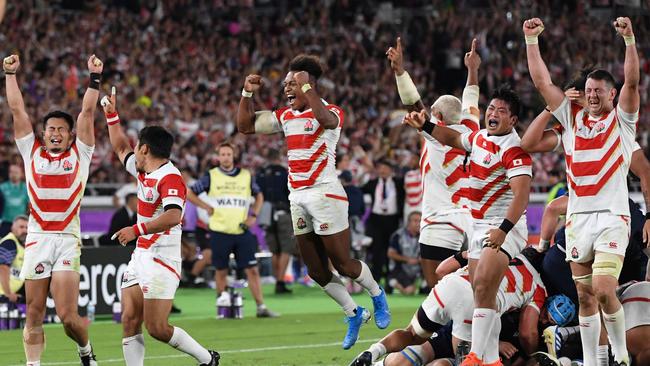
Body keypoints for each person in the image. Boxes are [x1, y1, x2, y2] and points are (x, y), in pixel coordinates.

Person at [236, 54, 390, 349]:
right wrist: (247, 93)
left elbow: (326, 121)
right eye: (285, 84)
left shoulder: (331, 111)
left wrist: (307, 89)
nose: (286, 89)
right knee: (316, 270)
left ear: (309, 84)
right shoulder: (285, 116)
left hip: (326, 194)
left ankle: (376, 294)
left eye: (292, 83)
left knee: (343, 264)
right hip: (298, 197)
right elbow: (245, 125)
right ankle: (353, 312)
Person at [524, 16, 640, 365]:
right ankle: (594, 361)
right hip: (577, 219)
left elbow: (633, 82)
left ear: (611, 94)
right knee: (586, 296)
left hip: (611, 218)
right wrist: (531, 40)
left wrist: (630, 41)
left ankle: (619, 352)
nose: (591, 95)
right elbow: (542, 82)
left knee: (605, 290)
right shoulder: (571, 120)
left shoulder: (622, 121)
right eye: (588, 90)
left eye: (598, 91)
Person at [404, 83, 532, 366]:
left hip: (504, 228)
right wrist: (425, 125)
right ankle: (491, 360)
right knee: (481, 294)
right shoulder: (478, 138)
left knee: (484, 286)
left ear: (513, 120)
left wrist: (504, 230)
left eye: (501, 110)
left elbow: (522, 195)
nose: (493, 113)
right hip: (477, 226)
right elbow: (451, 136)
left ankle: (475, 354)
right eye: (491, 108)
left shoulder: (515, 150)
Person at [101, 87, 219, 366]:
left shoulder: (170, 178)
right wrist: (111, 115)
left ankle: (207, 359)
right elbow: (119, 146)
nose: (133, 151)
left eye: (137, 146)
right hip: (141, 255)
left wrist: (136, 230)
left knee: (157, 328)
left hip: (163, 258)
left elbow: (173, 216)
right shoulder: (144, 169)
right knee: (129, 319)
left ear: (144, 148)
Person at [4, 53, 100, 366]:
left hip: (67, 239)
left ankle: (86, 352)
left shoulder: (81, 154)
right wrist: (9, 74)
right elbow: (17, 109)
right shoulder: (30, 152)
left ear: (70, 135)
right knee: (33, 312)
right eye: (50, 129)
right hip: (37, 237)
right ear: (43, 134)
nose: (55, 133)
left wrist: (94, 78)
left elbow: (87, 112)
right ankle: (33, 365)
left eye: (61, 129)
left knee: (68, 317)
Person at [351, 254, 563, 366]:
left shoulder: (503, 251)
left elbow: (441, 270)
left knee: (411, 334)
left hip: (449, 284)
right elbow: (528, 332)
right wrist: (532, 354)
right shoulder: (538, 287)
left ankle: (372, 352)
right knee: (468, 358)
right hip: (474, 304)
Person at [387, 37, 480, 290]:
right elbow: (472, 96)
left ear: (437, 117)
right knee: (471, 284)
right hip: (471, 220)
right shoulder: (472, 127)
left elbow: (413, 105)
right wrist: (473, 69)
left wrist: (400, 72)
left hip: (440, 220)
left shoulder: (437, 134)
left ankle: (448, 329)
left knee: (436, 288)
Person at [187, 142, 278, 318]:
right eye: (222, 154)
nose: (226, 157)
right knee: (221, 270)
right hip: (219, 230)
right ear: (218, 157)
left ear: (234, 155)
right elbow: (189, 192)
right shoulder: (211, 176)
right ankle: (223, 307)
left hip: (242, 230)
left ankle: (261, 307)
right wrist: (205, 206)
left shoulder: (246, 175)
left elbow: (259, 195)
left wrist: (254, 215)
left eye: (229, 154)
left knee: (252, 269)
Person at [255, 148, 296, 294]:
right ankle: (280, 281)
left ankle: (277, 280)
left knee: (274, 250)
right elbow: (291, 192)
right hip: (282, 212)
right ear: (278, 158)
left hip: (266, 214)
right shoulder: (284, 173)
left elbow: (256, 193)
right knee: (286, 248)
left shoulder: (260, 173)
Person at [362, 159, 405, 284]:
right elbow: (359, 188)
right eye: (380, 168)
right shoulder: (372, 183)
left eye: (385, 168)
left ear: (391, 170)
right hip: (376, 220)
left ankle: (390, 279)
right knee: (377, 250)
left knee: (391, 249)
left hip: (393, 220)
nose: (383, 170)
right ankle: (376, 279)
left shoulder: (399, 183)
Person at [387, 211, 421, 295]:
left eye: (420, 221)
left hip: (418, 268)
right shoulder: (398, 235)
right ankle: (399, 285)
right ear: (408, 222)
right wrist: (408, 260)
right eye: (415, 221)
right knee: (409, 290)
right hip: (401, 268)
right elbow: (390, 254)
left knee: (428, 288)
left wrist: (421, 260)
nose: (418, 224)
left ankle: (396, 284)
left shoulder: (424, 236)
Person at [0, 215, 28, 303]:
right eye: (21, 227)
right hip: (3, 295)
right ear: (13, 228)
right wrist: (8, 293)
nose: (25, 230)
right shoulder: (10, 243)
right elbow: (3, 268)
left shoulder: (21, 245)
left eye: (27, 227)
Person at [0, 164, 29, 236]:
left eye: (16, 172)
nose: (13, 174)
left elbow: (29, 206)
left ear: (22, 174)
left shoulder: (26, 188)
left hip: (21, 223)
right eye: (11, 172)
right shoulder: (2, 187)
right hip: (5, 222)